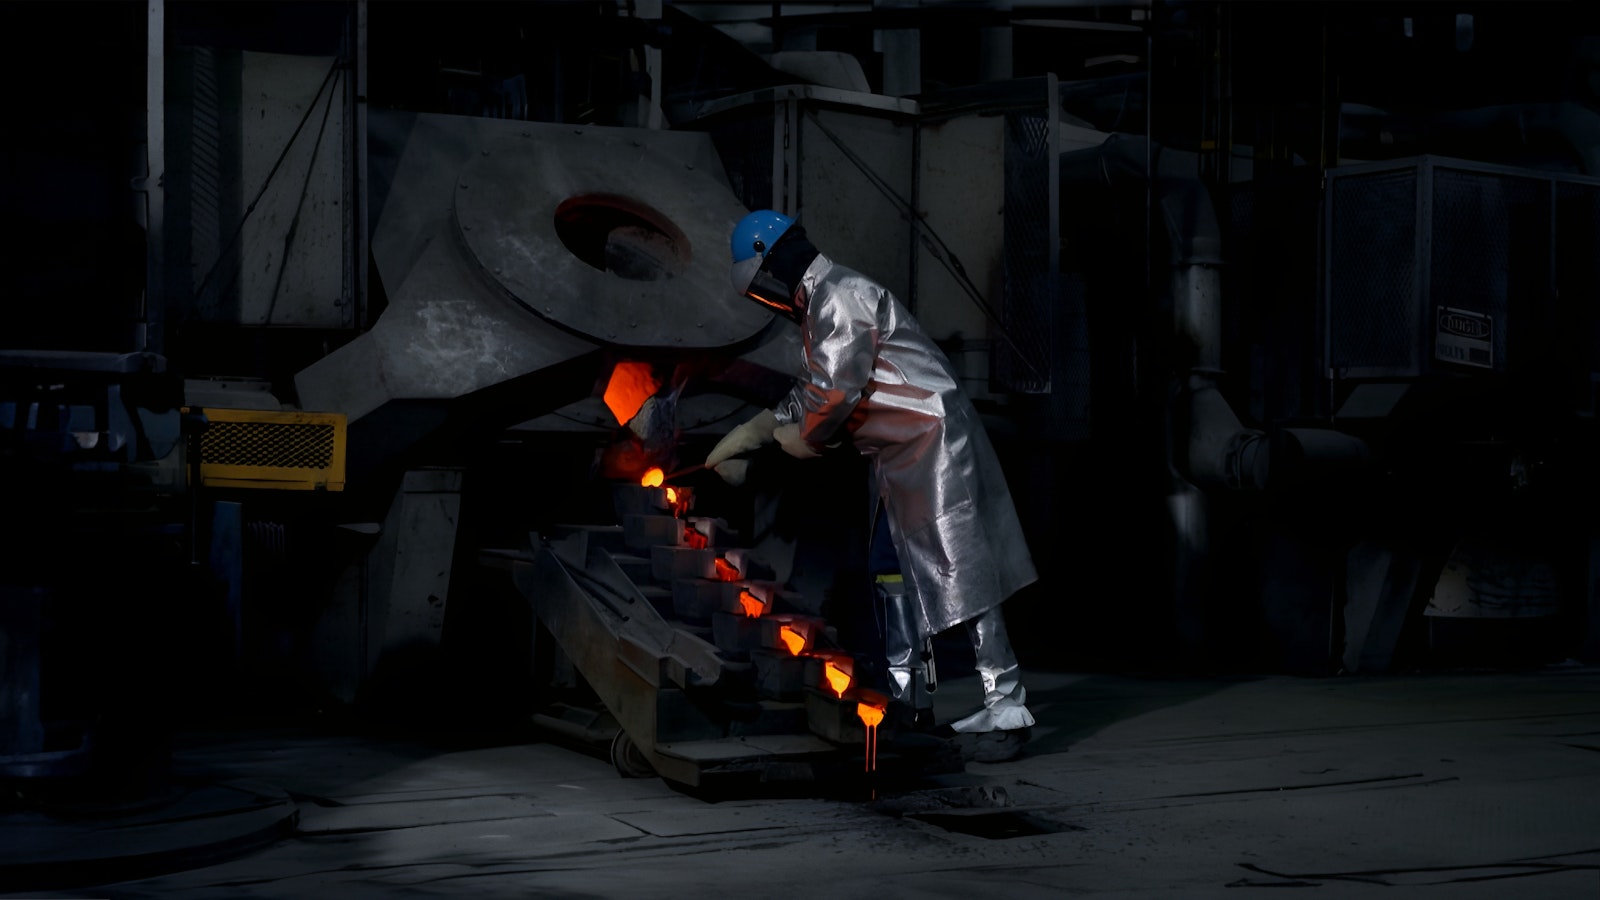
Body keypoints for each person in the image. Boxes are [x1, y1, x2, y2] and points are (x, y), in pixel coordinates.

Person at [705, 209, 1036, 762]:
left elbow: (834, 391)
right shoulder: (820, 306)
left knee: (963, 574)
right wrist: (759, 428)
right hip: (895, 454)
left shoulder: (839, 294)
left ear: (772, 260)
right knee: (891, 569)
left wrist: (803, 439)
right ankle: (907, 701)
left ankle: (1006, 702)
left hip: (931, 443)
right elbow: (819, 383)